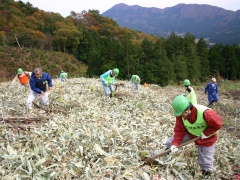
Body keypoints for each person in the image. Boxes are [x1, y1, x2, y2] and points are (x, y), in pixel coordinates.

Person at [166, 95, 222, 176]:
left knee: (205, 158)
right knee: (170, 142)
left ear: (188, 110)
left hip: (207, 137)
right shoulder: (180, 115)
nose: (180, 116)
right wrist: (175, 144)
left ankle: (207, 172)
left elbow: (218, 125)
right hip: (191, 133)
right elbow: (179, 129)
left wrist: (206, 134)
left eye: (181, 114)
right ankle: (168, 151)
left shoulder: (206, 113)